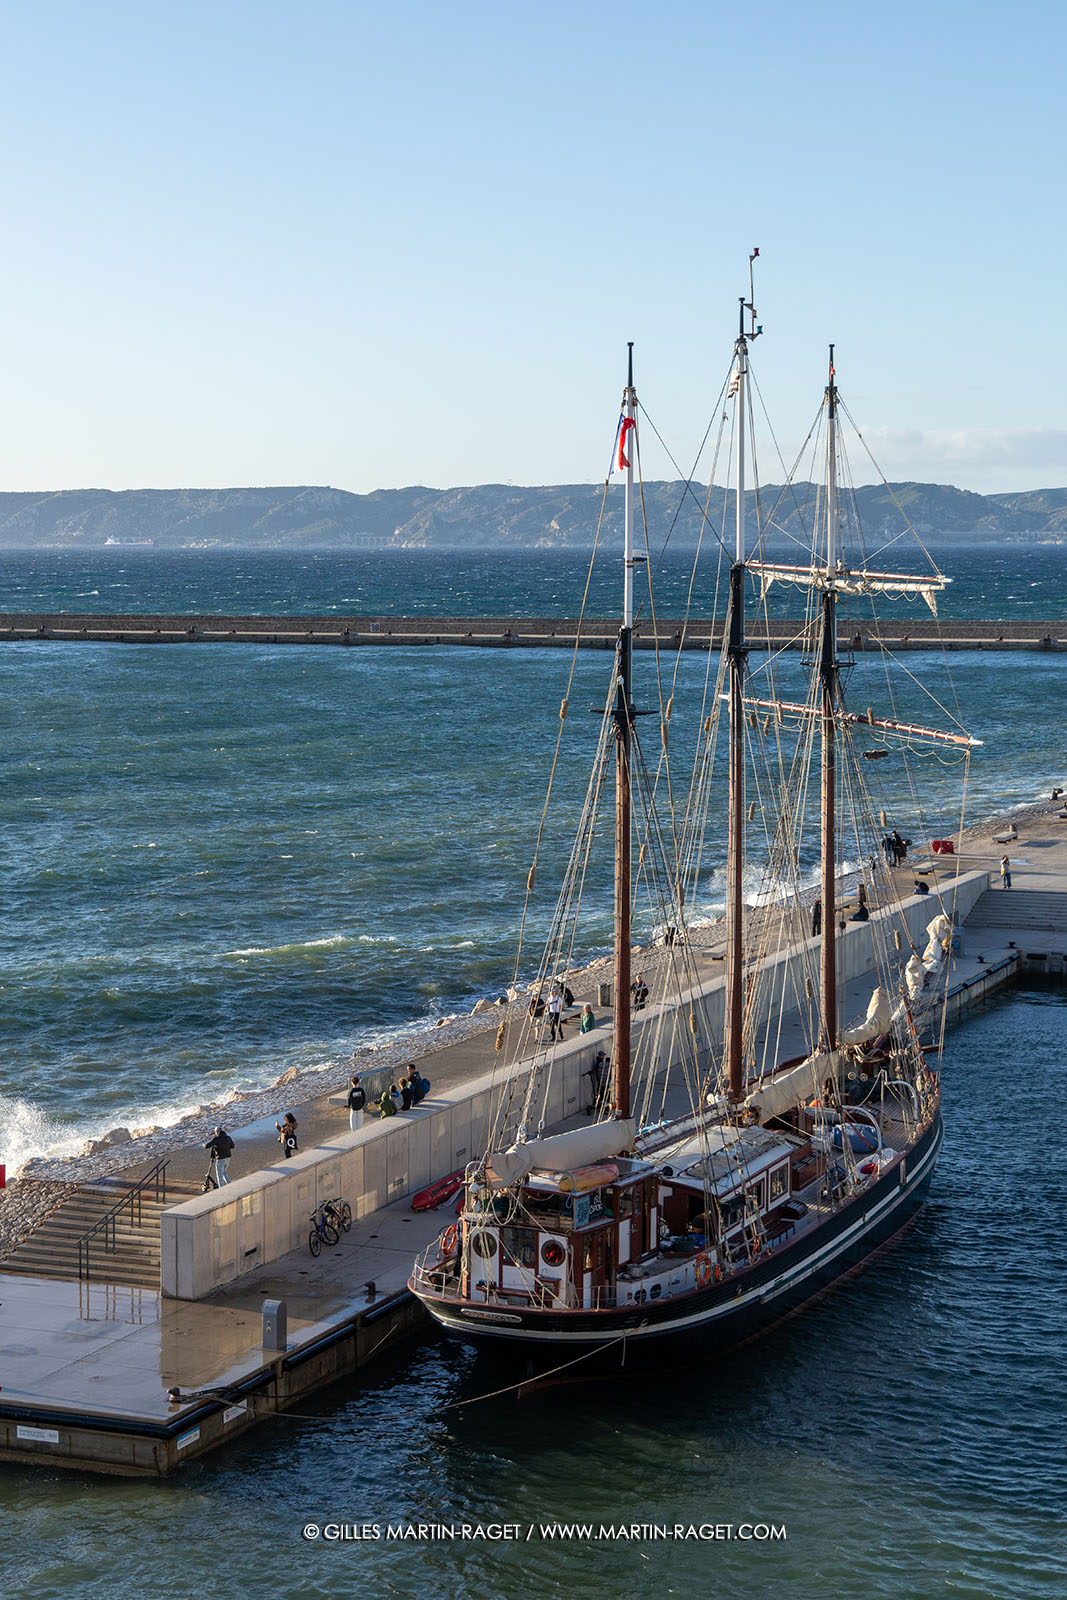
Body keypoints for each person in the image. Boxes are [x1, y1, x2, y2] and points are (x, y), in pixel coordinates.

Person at [584, 1050, 610, 1116]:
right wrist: (608, 1062)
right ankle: (606, 1109)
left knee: (599, 1095)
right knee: (605, 1095)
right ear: (600, 1056)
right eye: (602, 1056)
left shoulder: (597, 1063)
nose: (603, 1057)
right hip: (603, 1082)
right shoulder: (601, 1064)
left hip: (600, 1082)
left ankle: (595, 1105)